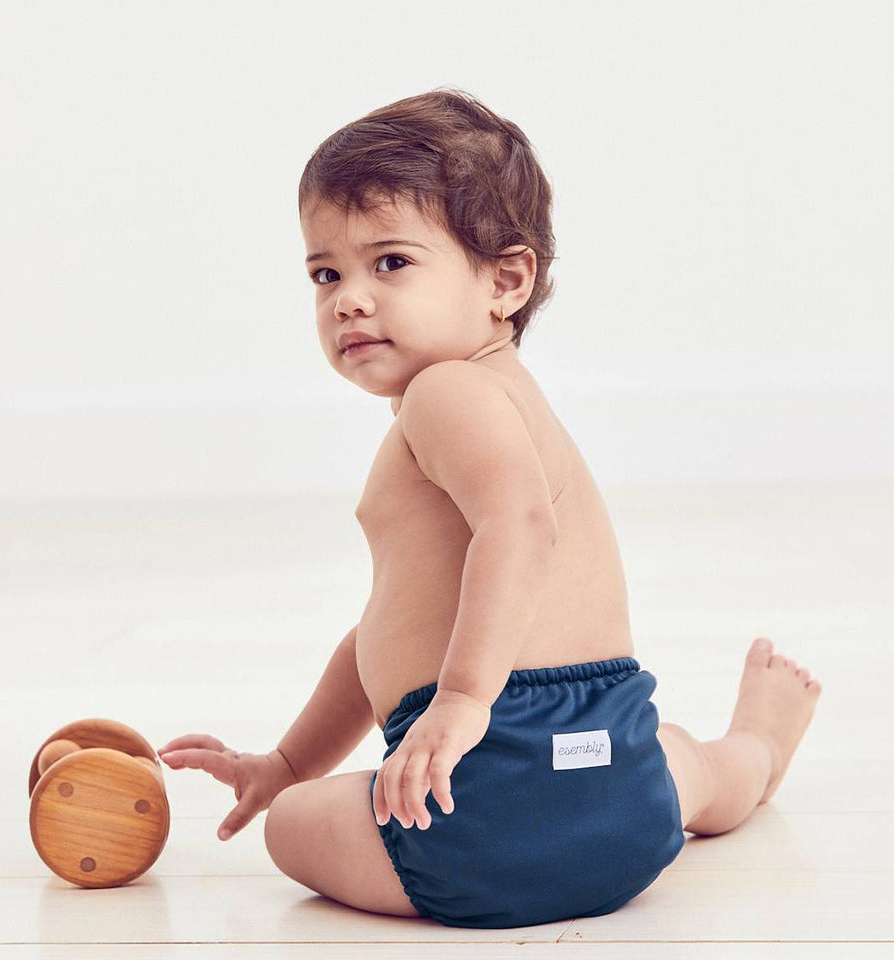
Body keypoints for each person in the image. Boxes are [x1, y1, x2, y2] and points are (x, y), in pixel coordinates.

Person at [155, 87, 821, 929]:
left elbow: (521, 526)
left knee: (296, 828)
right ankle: (753, 753)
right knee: (677, 761)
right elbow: (379, 643)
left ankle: (726, 759)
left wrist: (463, 702)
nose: (348, 298)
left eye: (389, 263)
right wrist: (284, 759)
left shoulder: (447, 394)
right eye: (326, 273)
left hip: (492, 789)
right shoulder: (499, 402)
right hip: (622, 793)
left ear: (506, 280)